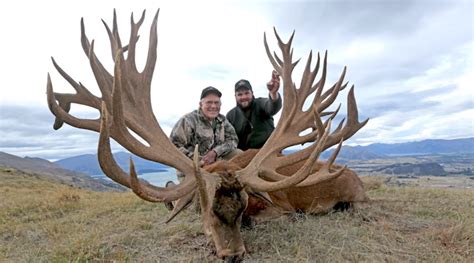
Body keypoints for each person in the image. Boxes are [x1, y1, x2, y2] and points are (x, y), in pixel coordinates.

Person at [170, 86, 241, 181]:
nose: (213, 106)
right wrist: (200, 160)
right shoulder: (188, 121)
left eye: (216, 103)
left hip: (216, 163)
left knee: (238, 154)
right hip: (192, 167)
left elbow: (233, 140)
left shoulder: (222, 120)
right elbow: (174, 146)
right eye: (209, 102)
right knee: (196, 194)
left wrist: (215, 152)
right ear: (200, 104)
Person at [226, 70, 282, 150]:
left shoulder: (261, 104)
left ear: (252, 93)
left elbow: (273, 107)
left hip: (267, 152)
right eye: (240, 94)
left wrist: (273, 93)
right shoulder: (231, 115)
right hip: (243, 157)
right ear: (235, 96)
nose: (244, 97)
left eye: (246, 93)